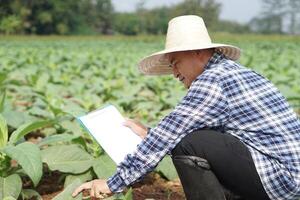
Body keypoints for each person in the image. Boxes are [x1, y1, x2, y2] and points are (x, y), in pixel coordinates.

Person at [72, 15, 300, 200]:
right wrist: (148, 133)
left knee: (189, 143)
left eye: (176, 63)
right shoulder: (231, 71)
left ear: (197, 52)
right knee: (193, 137)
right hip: (290, 174)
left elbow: (173, 133)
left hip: (282, 180)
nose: (174, 73)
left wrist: (113, 183)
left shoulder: (213, 80)